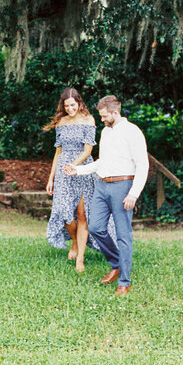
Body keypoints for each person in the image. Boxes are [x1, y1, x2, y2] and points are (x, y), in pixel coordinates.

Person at [64, 95, 148, 297]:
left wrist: (133, 193)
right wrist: (78, 170)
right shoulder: (106, 132)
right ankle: (116, 263)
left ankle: (124, 281)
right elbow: (102, 161)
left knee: (123, 235)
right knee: (96, 228)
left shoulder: (132, 132)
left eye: (104, 116)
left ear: (115, 113)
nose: (101, 119)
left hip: (123, 186)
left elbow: (143, 164)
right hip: (102, 185)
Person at [43, 87, 115, 272]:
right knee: (65, 213)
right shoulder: (61, 122)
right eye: (66, 106)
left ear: (79, 103)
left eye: (73, 105)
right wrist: (51, 178)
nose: (70, 109)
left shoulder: (88, 120)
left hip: (82, 170)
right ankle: (74, 241)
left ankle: (80, 259)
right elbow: (58, 152)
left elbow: (88, 150)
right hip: (63, 172)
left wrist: (74, 166)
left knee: (82, 215)